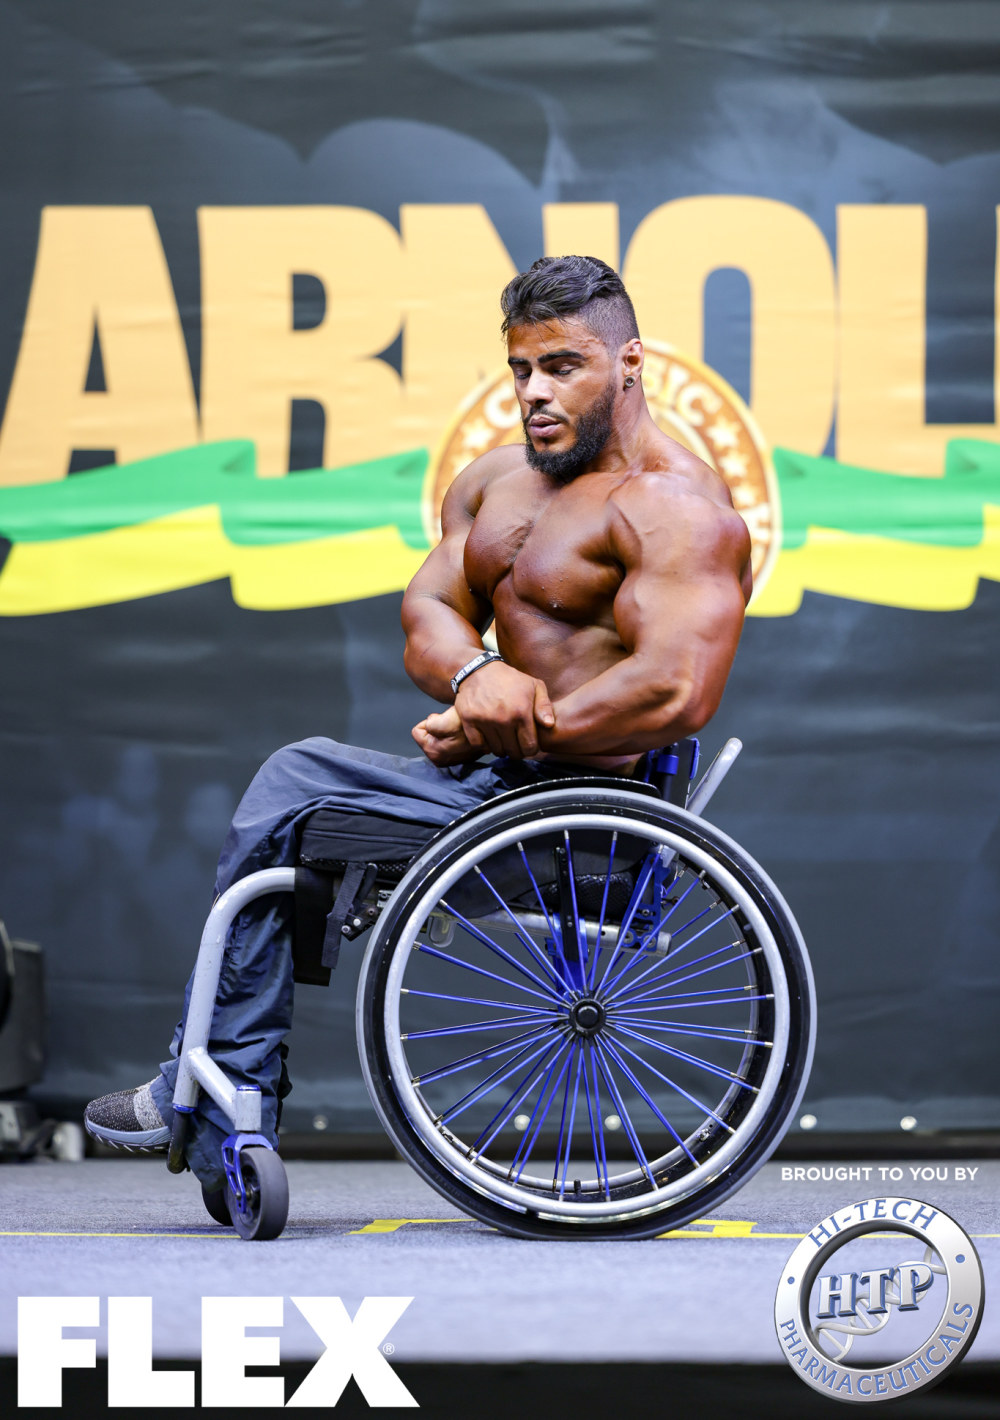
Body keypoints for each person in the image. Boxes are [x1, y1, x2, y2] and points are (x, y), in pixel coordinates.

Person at [84, 254, 752, 1185]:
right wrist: (478, 674)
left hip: (577, 820)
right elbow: (427, 613)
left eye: (563, 366)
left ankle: (211, 1090)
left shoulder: (676, 506)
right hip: (492, 792)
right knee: (297, 792)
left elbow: (675, 690)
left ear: (631, 362)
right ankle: (222, 1088)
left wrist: (509, 724)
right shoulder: (499, 484)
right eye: (521, 369)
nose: (535, 391)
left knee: (293, 784)